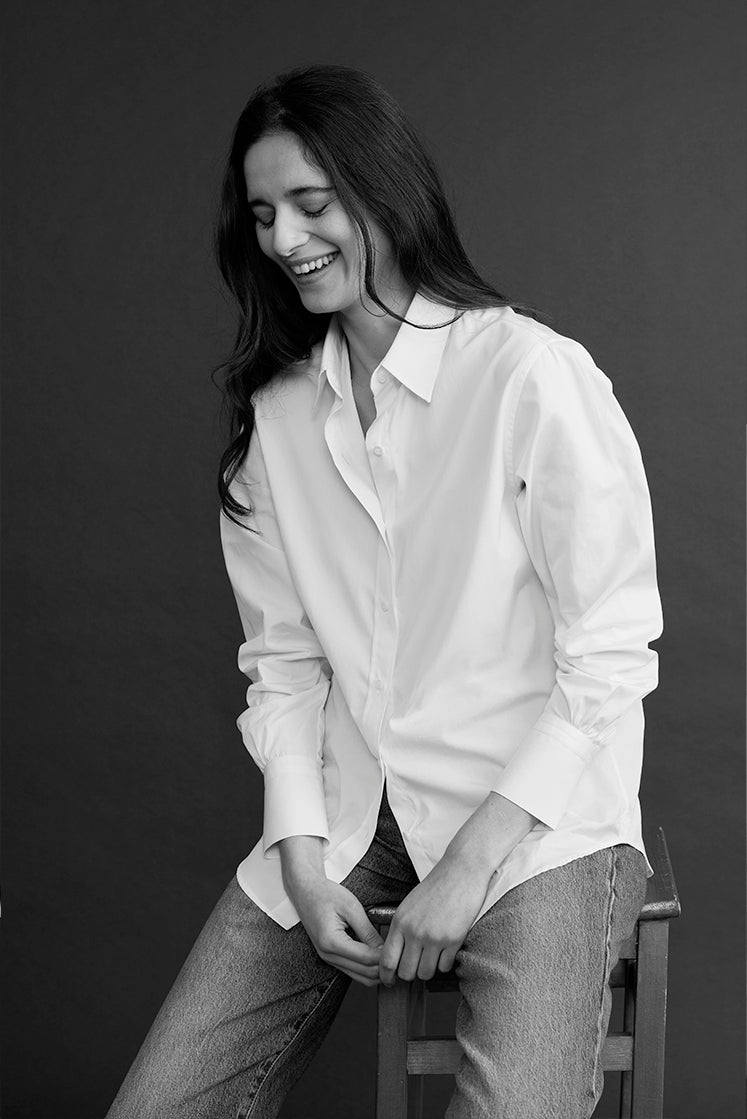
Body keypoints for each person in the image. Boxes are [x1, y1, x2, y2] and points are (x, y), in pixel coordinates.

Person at [105, 64, 662, 1119]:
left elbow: (609, 656)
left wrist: (466, 872)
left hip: (537, 826)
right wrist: (305, 866)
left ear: (385, 191)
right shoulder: (274, 421)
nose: (283, 237)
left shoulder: (531, 377)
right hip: (358, 820)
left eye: (312, 204)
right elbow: (284, 667)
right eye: (263, 213)